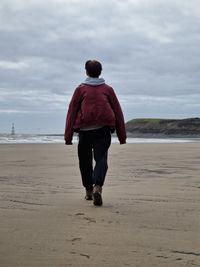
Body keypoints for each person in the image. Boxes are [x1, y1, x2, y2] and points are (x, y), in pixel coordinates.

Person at [64, 60, 126, 206]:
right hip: (103, 131)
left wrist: (68, 137)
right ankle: (98, 186)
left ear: (86, 72)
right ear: (101, 71)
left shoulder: (80, 89)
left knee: (84, 162)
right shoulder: (108, 89)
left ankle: (89, 191)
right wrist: (122, 136)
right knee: (101, 160)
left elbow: (71, 112)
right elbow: (118, 111)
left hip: (85, 132)